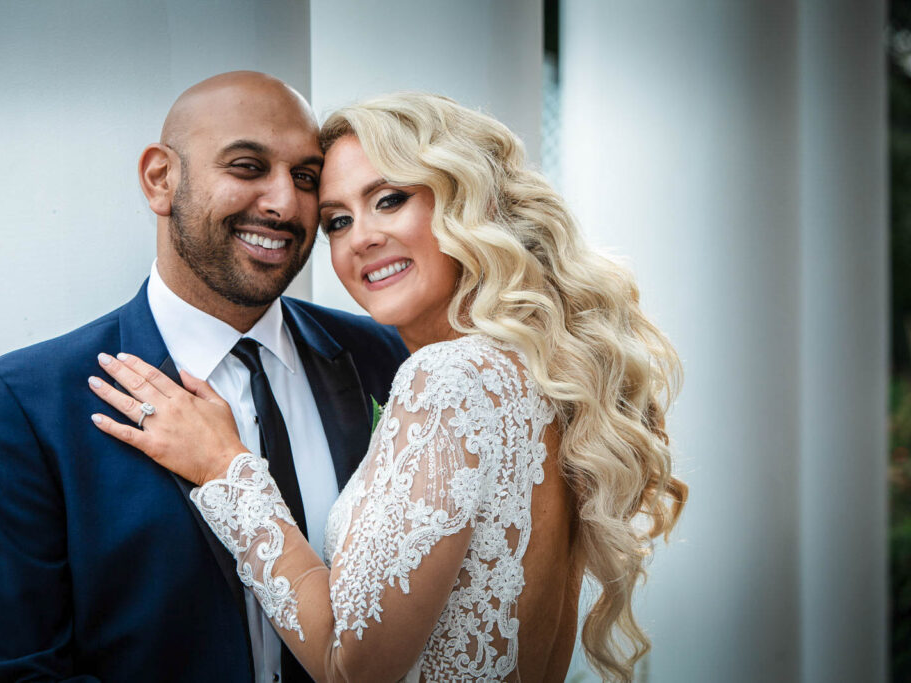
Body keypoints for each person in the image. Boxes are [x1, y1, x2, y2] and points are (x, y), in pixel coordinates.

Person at [88, 92, 688, 682]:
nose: (361, 238)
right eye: (338, 221)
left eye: (390, 200)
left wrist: (226, 469)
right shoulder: (541, 373)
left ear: (469, 202)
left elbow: (351, 667)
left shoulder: (449, 379)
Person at [0, 72, 408, 682]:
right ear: (160, 179)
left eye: (305, 177)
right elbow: (16, 671)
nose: (285, 203)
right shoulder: (29, 402)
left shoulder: (389, 358)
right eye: (248, 167)